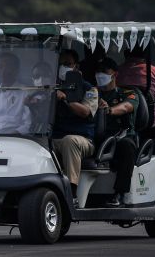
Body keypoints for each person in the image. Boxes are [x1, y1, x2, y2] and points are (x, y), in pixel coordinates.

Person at [52, 49, 99, 204]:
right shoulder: (52, 87)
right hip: (55, 139)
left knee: (69, 141)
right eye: (60, 64)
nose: (63, 68)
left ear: (76, 67)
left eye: (67, 64)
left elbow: (85, 112)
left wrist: (66, 99)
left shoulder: (89, 89)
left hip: (83, 140)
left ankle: (71, 192)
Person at [96, 58, 139, 207]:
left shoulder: (128, 93)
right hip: (98, 137)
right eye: (98, 71)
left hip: (122, 137)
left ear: (114, 74)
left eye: (104, 72)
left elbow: (127, 107)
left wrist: (109, 110)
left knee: (127, 147)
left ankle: (120, 193)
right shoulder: (92, 93)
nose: (100, 75)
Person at [116, 47, 155, 136]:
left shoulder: (116, 72)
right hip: (151, 124)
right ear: (145, 56)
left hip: (120, 122)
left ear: (126, 55)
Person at [25, 61, 55, 134]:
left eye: (45, 75)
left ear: (51, 77)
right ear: (32, 79)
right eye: (37, 76)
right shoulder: (28, 98)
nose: (41, 80)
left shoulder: (57, 96)